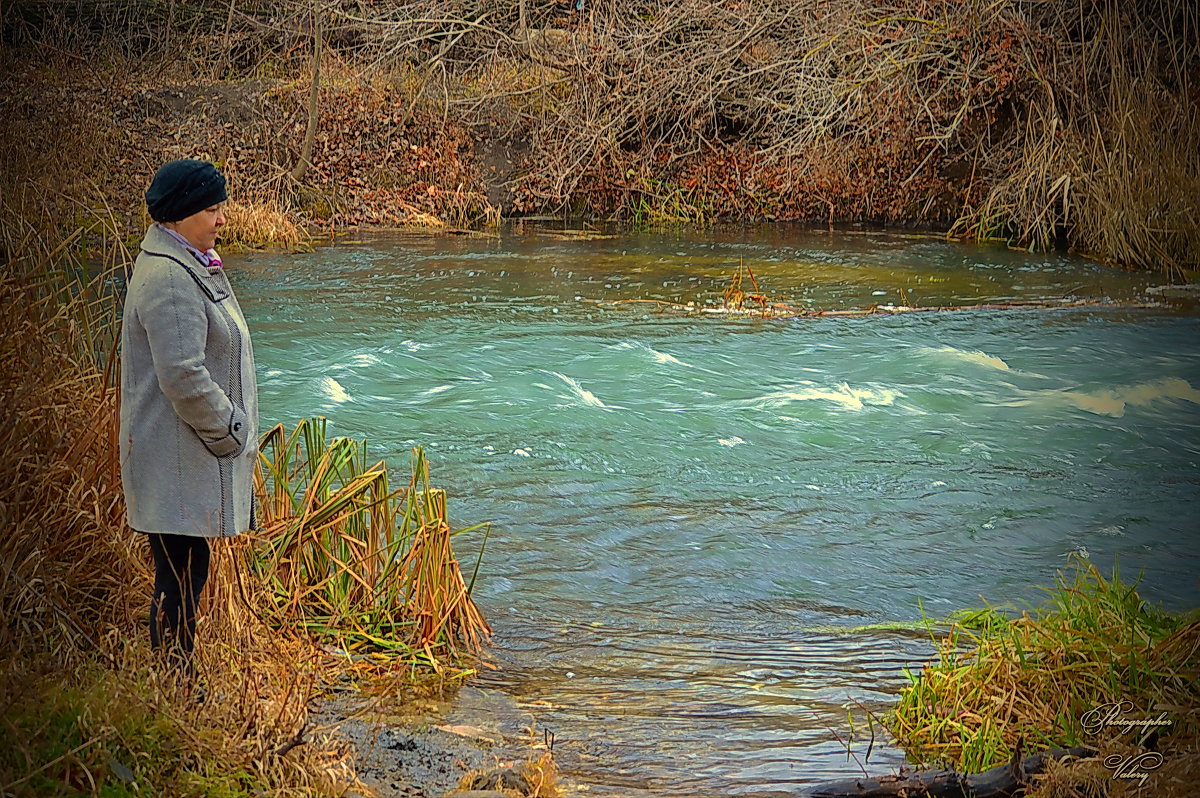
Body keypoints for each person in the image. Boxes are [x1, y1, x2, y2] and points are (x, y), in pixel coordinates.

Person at [119, 159, 258, 685]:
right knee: (179, 577)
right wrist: (232, 433)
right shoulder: (171, 278)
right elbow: (183, 376)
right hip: (176, 458)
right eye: (212, 208)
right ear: (180, 215)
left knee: (183, 572)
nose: (221, 218)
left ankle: (176, 679)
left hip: (181, 458)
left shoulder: (185, 262)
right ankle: (174, 684)